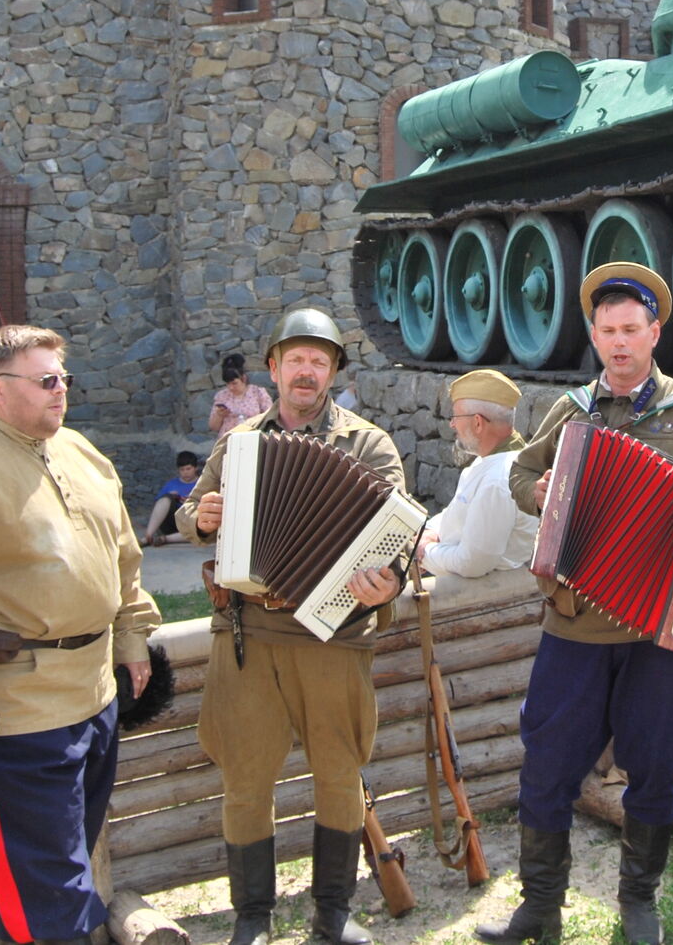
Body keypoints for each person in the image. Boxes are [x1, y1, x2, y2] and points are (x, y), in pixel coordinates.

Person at [482, 261, 673, 945]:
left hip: (660, 627)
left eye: (632, 329)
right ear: (595, 335)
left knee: (655, 767)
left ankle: (638, 904)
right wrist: (537, 493)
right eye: (608, 331)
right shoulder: (569, 409)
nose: (620, 343)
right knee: (547, 764)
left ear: (654, 333)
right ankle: (539, 908)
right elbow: (521, 469)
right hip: (575, 622)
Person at [0, 325, 161, 945]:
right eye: (45, 380)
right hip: (10, 715)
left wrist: (131, 635)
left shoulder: (81, 452)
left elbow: (123, 556)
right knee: (43, 899)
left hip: (93, 698)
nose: (60, 390)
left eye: (63, 378)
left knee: (65, 868)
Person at [178, 308, 410, 945]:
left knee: (338, 774)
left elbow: (396, 537)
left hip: (332, 635)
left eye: (319, 361)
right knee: (245, 777)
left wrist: (389, 579)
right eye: (296, 360)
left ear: (333, 371)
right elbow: (191, 512)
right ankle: (252, 918)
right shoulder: (238, 442)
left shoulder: (369, 445)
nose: (307, 372)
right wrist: (201, 519)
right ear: (274, 368)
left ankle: (332, 913)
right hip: (248, 633)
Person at [415, 369, 538, 578]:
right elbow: (457, 512)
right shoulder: (494, 459)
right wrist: (432, 532)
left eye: (455, 416)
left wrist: (423, 552)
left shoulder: (497, 480)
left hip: (486, 592)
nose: (452, 424)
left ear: (478, 422)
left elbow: (471, 564)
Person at [206, 352, 272, 439]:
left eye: (234, 383)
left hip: (253, 437)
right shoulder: (222, 396)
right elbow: (213, 427)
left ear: (243, 378)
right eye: (228, 384)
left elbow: (270, 418)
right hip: (228, 440)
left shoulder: (258, 393)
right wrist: (219, 415)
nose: (230, 387)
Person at [142, 450, 201, 546]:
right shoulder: (172, 484)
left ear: (195, 468)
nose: (185, 472)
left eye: (188, 469)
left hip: (191, 522)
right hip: (171, 522)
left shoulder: (201, 484)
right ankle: (148, 536)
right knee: (166, 498)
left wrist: (192, 502)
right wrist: (171, 496)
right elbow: (159, 506)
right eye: (182, 470)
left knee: (201, 530)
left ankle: (166, 539)